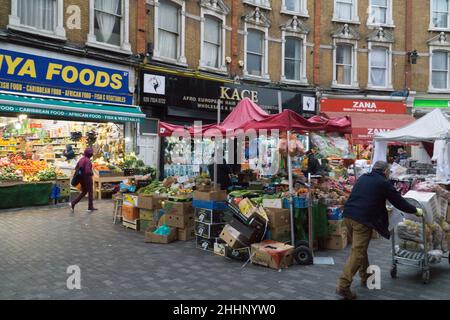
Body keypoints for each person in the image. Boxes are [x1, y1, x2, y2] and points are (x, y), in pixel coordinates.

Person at [336, 161, 422, 300]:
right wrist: (415, 210)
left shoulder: (363, 177)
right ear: (385, 172)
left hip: (348, 216)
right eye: (389, 172)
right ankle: (343, 285)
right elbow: (398, 201)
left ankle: (366, 277)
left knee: (360, 249)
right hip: (362, 220)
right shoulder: (383, 183)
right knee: (357, 252)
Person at [70, 148, 97, 213]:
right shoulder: (88, 161)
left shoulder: (81, 159)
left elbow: (76, 167)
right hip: (87, 178)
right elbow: (87, 171)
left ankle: (73, 203)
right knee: (90, 192)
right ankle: (90, 207)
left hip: (81, 178)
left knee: (84, 192)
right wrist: (92, 173)